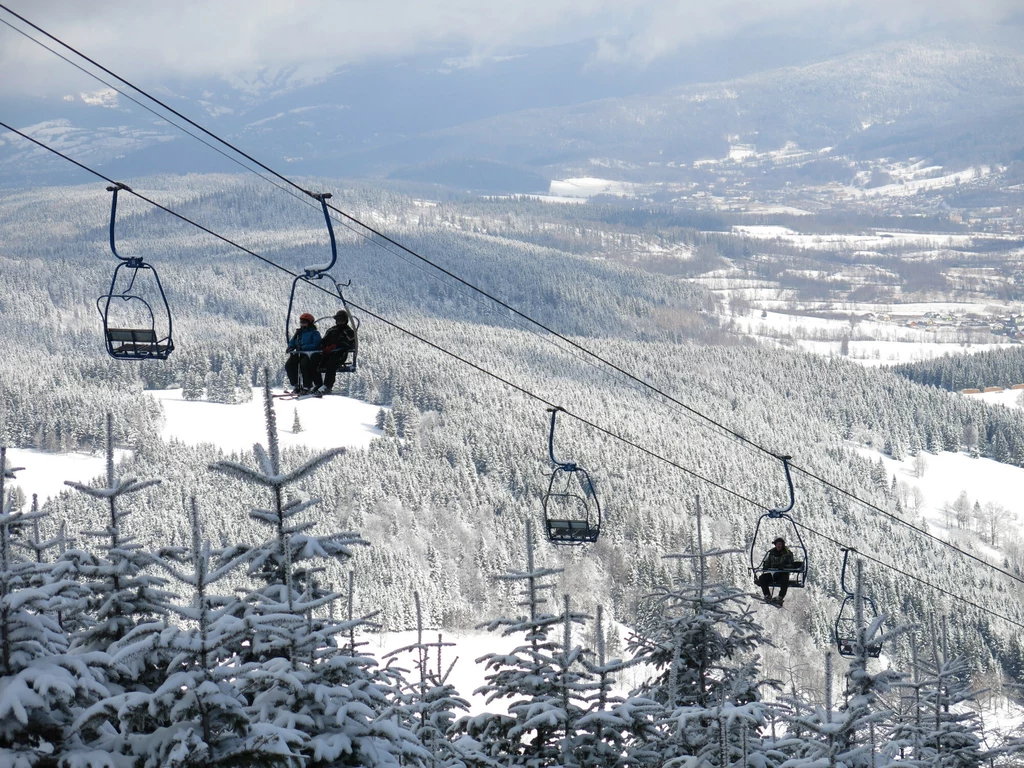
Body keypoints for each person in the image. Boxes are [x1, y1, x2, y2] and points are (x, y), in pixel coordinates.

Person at [316, 309, 357, 394]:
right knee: (315, 361)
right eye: (338, 319)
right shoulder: (331, 330)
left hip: (340, 354)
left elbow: (350, 342)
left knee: (331, 363)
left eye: (342, 320)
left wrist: (336, 346)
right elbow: (324, 340)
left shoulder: (348, 331)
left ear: (346, 320)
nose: (340, 321)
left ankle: (327, 386)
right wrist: (323, 347)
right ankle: (316, 384)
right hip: (328, 353)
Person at [285, 312, 322, 394]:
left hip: (310, 354)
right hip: (300, 353)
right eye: (301, 322)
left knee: (304, 364)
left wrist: (303, 347)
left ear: (310, 323)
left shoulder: (315, 333)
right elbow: (293, 341)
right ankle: (296, 385)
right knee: (289, 364)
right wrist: (291, 346)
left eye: (304, 322)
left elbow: (316, 344)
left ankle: (307, 386)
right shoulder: (299, 333)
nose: (302, 324)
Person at [758, 536, 795, 606]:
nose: (778, 546)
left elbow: (792, 565)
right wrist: (766, 565)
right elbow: (767, 562)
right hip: (773, 574)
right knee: (762, 578)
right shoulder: (771, 553)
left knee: (785, 580)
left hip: (782, 574)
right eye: (777, 544)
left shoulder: (787, 553)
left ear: (783, 545)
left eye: (780, 544)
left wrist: (783, 567)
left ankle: (780, 597)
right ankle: (767, 595)